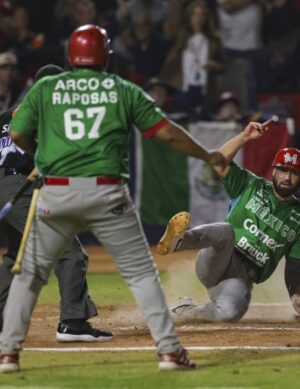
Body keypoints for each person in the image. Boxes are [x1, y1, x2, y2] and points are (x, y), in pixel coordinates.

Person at [0, 24, 228, 373]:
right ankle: (169, 352)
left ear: (70, 56)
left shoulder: (46, 88)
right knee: (140, 273)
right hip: (107, 192)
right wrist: (207, 155)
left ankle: (8, 354)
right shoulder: (121, 89)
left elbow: (16, 132)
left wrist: (44, 155)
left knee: (29, 272)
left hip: (55, 190)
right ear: (106, 55)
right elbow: (165, 133)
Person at [158, 120, 300, 322]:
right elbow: (218, 161)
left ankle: (184, 310)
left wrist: (295, 296)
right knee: (226, 231)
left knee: (229, 314)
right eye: (284, 170)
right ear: (274, 171)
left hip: (239, 278)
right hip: (218, 258)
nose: (287, 177)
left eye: (294, 173)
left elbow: (294, 263)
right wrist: (244, 137)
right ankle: (177, 241)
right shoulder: (251, 184)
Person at [0, 64, 112, 343]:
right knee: (69, 250)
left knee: (18, 256)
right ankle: (73, 322)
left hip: (7, 186)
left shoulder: (6, 114)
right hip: (20, 185)